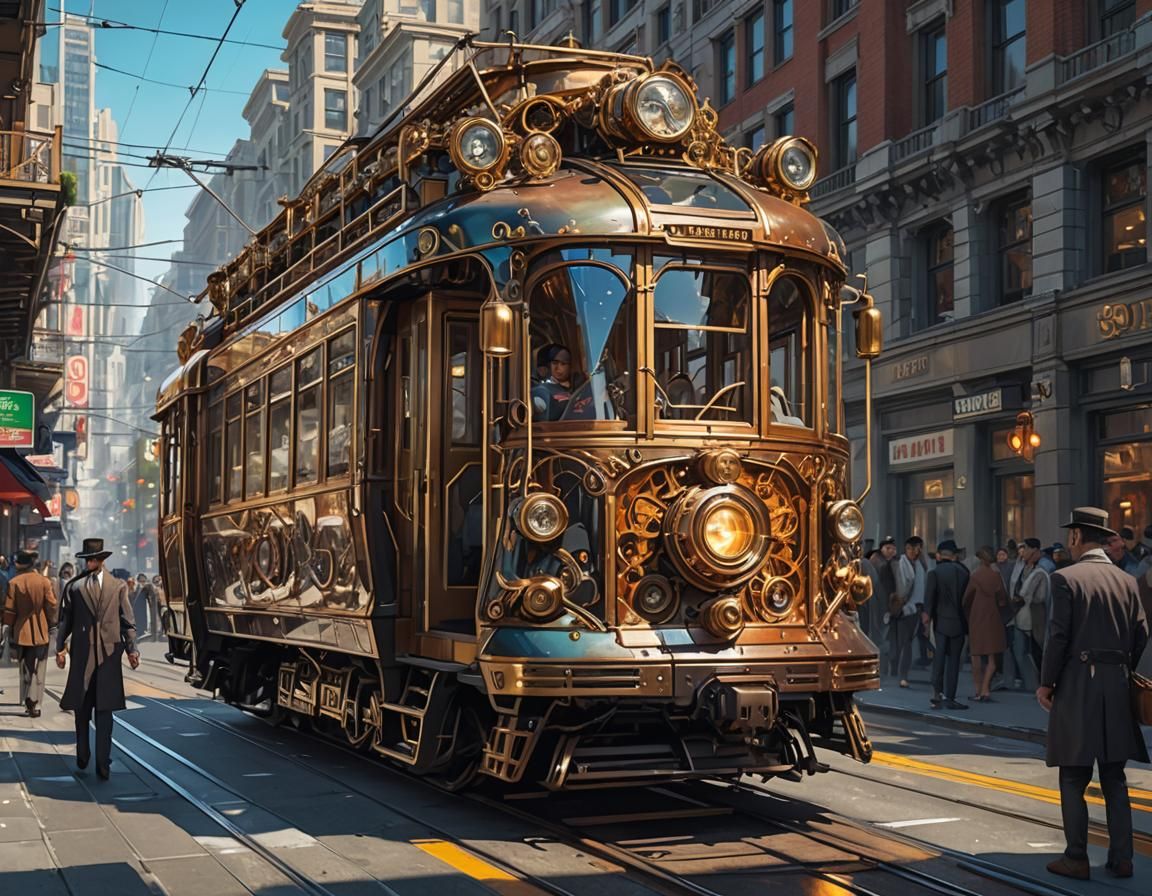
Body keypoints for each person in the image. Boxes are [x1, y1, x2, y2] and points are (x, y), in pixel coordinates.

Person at [1038, 508, 1148, 881]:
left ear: (1076, 538)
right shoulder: (1126, 581)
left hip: (1078, 685)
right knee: (1115, 776)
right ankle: (1123, 859)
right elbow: (1141, 636)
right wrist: (1121, 668)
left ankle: (1076, 857)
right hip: (1116, 684)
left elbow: (1058, 637)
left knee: (1073, 775)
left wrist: (1046, 683)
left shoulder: (1065, 579)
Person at [55, 538, 140, 780]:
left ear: (102, 560)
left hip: (109, 659)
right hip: (81, 656)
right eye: (87, 559)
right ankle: (83, 754)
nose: (90, 562)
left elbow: (128, 622)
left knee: (105, 713)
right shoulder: (74, 586)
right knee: (81, 710)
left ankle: (103, 763)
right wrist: (59, 648)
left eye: (93, 559)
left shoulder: (118, 586)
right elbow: (65, 622)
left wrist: (132, 650)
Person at [1, 550, 58, 716]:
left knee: (25, 665)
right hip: (42, 629)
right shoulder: (44, 582)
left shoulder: (14, 583)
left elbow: (10, 610)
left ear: (19, 565)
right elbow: (52, 605)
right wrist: (52, 623)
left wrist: (6, 628)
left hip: (21, 630)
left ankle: (26, 698)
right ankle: (36, 701)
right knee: (40, 666)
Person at [922, 539, 970, 710]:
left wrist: (926, 621)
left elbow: (929, 600)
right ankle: (951, 696)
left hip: (940, 622)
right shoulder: (964, 572)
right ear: (954, 555)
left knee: (939, 658)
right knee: (955, 661)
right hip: (960, 622)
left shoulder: (934, 573)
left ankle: (937, 693)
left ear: (939, 555)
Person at [962, 546, 1009, 702]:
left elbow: (966, 599)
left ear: (980, 559)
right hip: (992, 616)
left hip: (977, 617)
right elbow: (1002, 598)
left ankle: (978, 690)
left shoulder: (975, 576)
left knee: (976, 655)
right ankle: (986, 689)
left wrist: (968, 615)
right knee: (991, 658)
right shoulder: (996, 576)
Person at [1006, 538, 1048, 690]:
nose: (1023, 552)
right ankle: (1028, 681)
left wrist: (1021, 597)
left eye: (1027, 549)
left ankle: (1041, 683)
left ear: (1035, 550)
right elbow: (1015, 586)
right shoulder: (1021, 566)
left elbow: (1037, 594)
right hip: (1020, 614)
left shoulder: (1043, 567)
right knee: (1019, 650)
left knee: (1038, 650)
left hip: (1036, 615)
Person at [887, 536, 924, 688]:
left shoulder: (918, 564)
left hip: (915, 607)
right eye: (911, 548)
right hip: (904, 608)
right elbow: (901, 588)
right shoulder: (901, 564)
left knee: (906, 641)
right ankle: (902, 674)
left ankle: (899, 671)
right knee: (905, 642)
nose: (913, 551)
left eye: (916, 549)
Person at [137, 574, 161, 641]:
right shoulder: (143, 587)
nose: (143, 582)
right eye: (141, 581)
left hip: (153, 606)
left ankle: (154, 635)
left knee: (154, 619)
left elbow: (152, 597)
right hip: (147, 607)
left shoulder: (149, 586)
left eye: (143, 581)